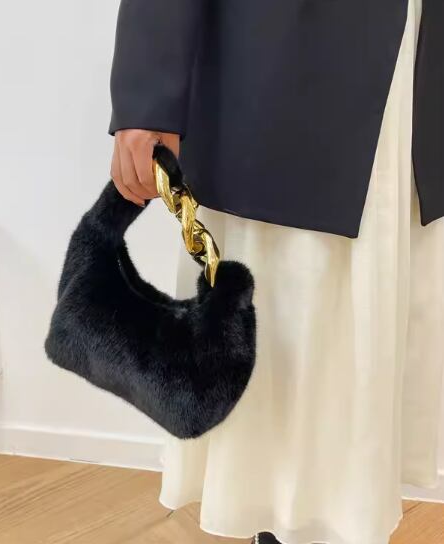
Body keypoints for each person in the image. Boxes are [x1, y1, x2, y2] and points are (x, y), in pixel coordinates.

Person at [108, 2, 443, 543]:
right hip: (285, 57)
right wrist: (146, 96)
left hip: (414, 57)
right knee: (289, 290)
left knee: (372, 317)